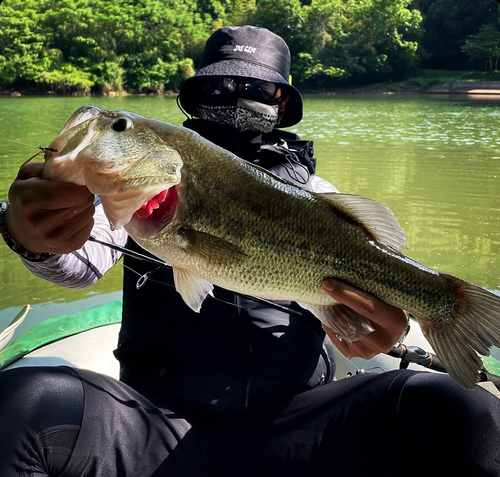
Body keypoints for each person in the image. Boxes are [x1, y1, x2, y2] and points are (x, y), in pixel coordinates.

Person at [0, 25, 499, 477]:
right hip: (154, 421)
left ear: (282, 103)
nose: (235, 96)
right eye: (218, 86)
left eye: (256, 88)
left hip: (299, 421)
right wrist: (33, 239)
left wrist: (374, 334)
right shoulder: (143, 186)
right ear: (195, 98)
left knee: (465, 409)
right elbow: (79, 264)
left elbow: (364, 299)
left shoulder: (318, 196)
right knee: (23, 402)